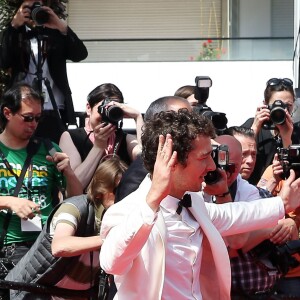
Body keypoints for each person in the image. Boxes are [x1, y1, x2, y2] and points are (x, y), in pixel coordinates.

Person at [100, 108, 300, 300]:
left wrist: (282, 203)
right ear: (173, 161)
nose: (212, 166)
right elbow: (112, 263)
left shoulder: (194, 202)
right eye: (204, 158)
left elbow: (233, 214)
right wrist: (153, 200)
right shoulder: (126, 211)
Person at [6, 156, 128, 299]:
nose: (123, 196)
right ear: (101, 190)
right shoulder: (73, 208)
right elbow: (60, 246)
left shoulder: (117, 216)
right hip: (34, 293)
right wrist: (109, 239)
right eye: (117, 190)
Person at [0, 83, 82, 270]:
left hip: (45, 244)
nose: (33, 125)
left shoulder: (49, 148)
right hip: (8, 247)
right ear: (7, 113)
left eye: (38, 118)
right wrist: (9, 202)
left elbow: (77, 198)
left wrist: (68, 171)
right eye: (28, 118)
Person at [205, 134, 296, 299]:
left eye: (231, 168)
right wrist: (266, 229)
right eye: (219, 164)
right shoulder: (192, 189)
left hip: (262, 289)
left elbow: (236, 240)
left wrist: (286, 221)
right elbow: (235, 244)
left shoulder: (249, 191)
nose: (224, 172)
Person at [0, 0, 88, 143]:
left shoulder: (55, 33)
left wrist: (61, 26)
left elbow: (80, 54)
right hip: (23, 107)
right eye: (28, 7)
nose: (33, 11)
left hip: (53, 106)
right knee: (22, 151)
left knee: (52, 153)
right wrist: (14, 25)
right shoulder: (15, 33)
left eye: (37, 6)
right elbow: (4, 62)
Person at [59, 83, 143, 190]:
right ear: (89, 108)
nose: (106, 116)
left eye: (112, 110)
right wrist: (98, 146)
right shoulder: (71, 137)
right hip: (85, 202)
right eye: (102, 110)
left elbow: (145, 162)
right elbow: (77, 185)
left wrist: (138, 117)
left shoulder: (125, 139)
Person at [242, 77, 300, 185]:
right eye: (276, 105)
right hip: (252, 192)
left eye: (288, 106)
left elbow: (293, 171)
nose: (283, 110)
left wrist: (287, 137)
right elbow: (238, 156)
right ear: (265, 104)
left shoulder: (297, 131)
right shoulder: (252, 124)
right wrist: (255, 128)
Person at [257, 152, 300, 298]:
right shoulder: (276, 171)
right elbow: (253, 208)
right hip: (271, 268)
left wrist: (293, 225)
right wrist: (274, 180)